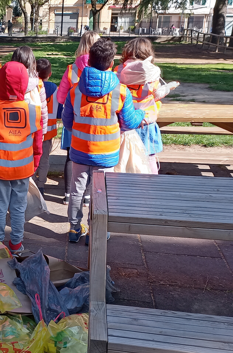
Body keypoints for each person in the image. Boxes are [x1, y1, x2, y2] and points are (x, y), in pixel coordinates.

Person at [62, 38, 145, 243]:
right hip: (107, 154)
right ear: (111, 64)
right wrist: (142, 113)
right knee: (100, 194)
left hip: (80, 151)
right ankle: (95, 231)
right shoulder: (121, 92)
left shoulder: (75, 91)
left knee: (76, 191)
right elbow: (129, 122)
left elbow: (67, 120)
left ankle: (74, 229)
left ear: (88, 61)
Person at [0, 61, 43, 256]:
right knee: (18, 208)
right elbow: (37, 145)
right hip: (23, 169)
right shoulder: (33, 112)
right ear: (23, 84)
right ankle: (16, 244)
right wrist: (34, 165)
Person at [115, 38, 179, 174]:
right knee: (150, 157)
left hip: (125, 122)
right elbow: (156, 94)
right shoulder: (152, 72)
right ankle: (150, 184)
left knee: (124, 157)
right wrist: (168, 87)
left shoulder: (119, 71)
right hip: (147, 122)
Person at [58, 30, 100, 204]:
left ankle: (68, 194)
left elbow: (61, 98)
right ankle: (89, 195)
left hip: (73, 118)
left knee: (71, 156)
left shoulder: (71, 69)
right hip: (96, 118)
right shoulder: (103, 68)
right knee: (93, 157)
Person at [35, 58, 62, 195]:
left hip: (34, 131)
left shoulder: (32, 88)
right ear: (50, 73)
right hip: (49, 132)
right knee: (44, 159)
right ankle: (41, 185)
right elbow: (59, 112)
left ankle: (32, 183)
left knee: (32, 157)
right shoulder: (56, 90)